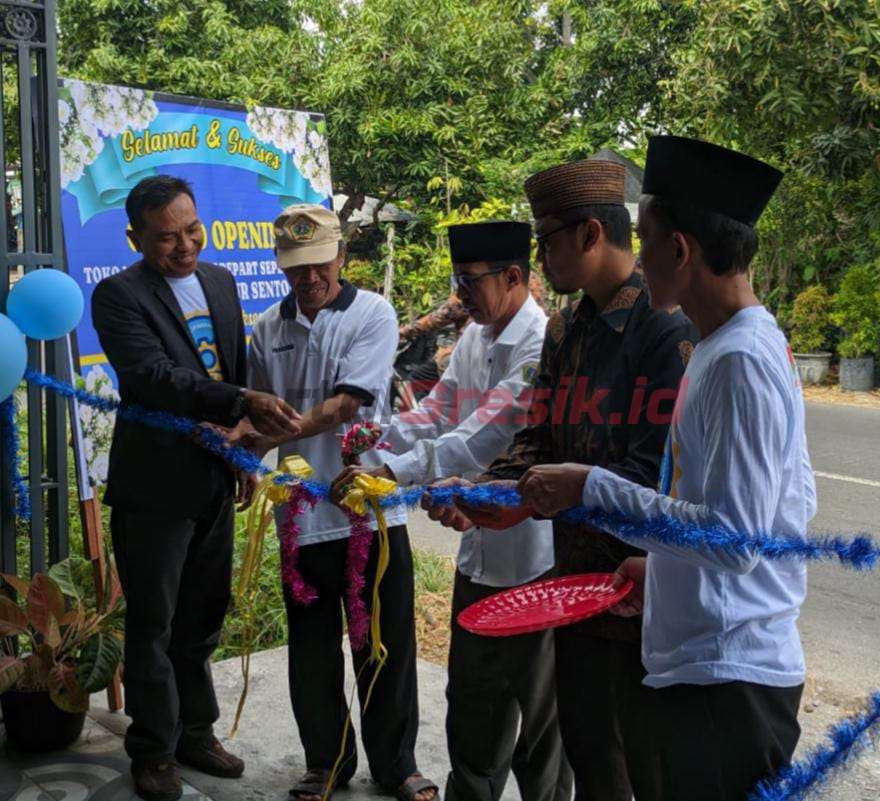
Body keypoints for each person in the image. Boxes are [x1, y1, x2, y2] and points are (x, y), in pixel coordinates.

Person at [517, 136, 814, 800]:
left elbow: (735, 539)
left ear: (680, 250)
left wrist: (590, 486)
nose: (637, 256)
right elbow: (771, 504)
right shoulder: (724, 346)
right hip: (704, 665)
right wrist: (667, 569)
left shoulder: (742, 359)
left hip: (731, 681)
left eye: (645, 239)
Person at [425, 160, 697, 801]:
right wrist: (489, 494)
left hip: (638, 600)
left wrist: (543, 495)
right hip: (570, 589)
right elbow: (536, 438)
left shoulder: (667, 329)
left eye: (546, 239)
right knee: (587, 758)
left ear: (589, 235)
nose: (539, 254)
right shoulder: (566, 328)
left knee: (638, 772)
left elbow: (657, 476)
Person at [332, 221, 573, 801]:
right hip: (478, 562)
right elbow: (437, 414)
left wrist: (392, 472)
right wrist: (374, 439)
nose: (459, 297)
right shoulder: (475, 338)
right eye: (457, 282)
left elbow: (481, 435)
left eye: (470, 282)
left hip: (536, 564)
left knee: (540, 724)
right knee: (470, 705)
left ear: (514, 277)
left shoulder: (542, 346)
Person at [92, 175, 301, 801]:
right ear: (135, 237)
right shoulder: (118, 295)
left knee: (202, 614)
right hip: (155, 483)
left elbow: (231, 364)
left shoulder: (219, 281)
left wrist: (241, 442)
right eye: (165, 238)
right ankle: (152, 747)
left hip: (214, 476)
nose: (184, 246)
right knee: (154, 621)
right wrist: (242, 398)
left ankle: (196, 731)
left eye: (191, 230)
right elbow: (155, 377)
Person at [240, 204, 438, 801]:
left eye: (320, 264)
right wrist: (248, 451)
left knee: (382, 643)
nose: (310, 279)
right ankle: (324, 762)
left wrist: (267, 435)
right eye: (297, 269)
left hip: (368, 510)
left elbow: (347, 405)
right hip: (300, 516)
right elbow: (253, 409)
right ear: (282, 268)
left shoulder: (372, 315)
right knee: (310, 647)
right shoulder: (265, 331)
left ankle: (397, 765)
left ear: (341, 257)